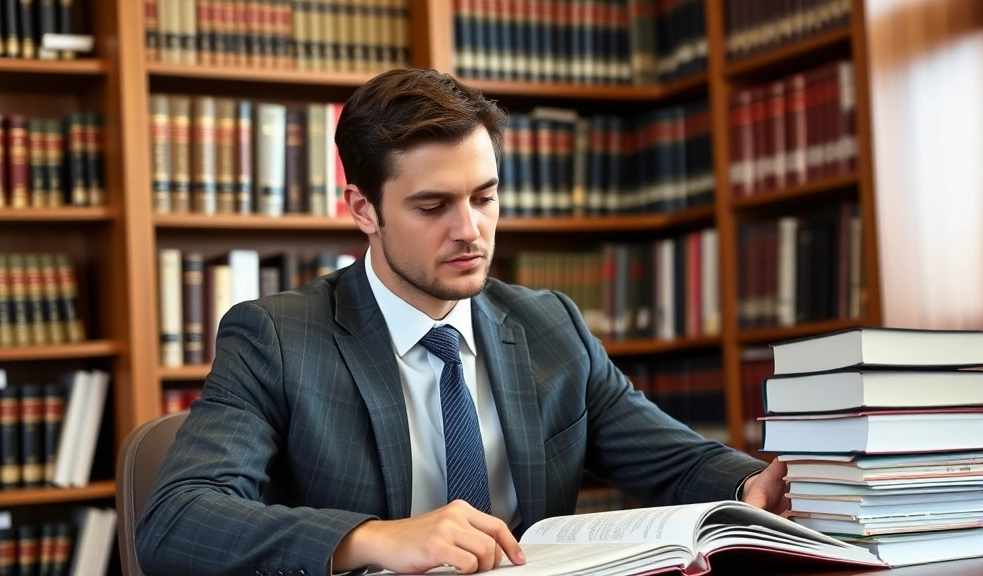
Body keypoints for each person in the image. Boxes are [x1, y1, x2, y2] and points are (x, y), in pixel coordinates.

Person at [136, 68, 786, 576]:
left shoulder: (549, 326)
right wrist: (373, 540)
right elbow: (176, 520)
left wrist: (751, 483)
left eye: (484, 197)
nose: (469, 230)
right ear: (364, 209)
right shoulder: (276, 338)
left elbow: (674, 463)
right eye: (433, 205)